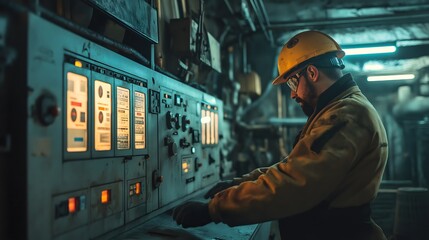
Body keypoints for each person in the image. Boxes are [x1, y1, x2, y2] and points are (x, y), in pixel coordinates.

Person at [172, 30, 388, 240]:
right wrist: (238, 183)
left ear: (312, 73)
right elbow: (295, 167)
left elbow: (294, 182)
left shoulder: (344, 115)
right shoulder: (338, 110)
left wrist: (213, 209)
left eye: (293, 82)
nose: (293, 94)